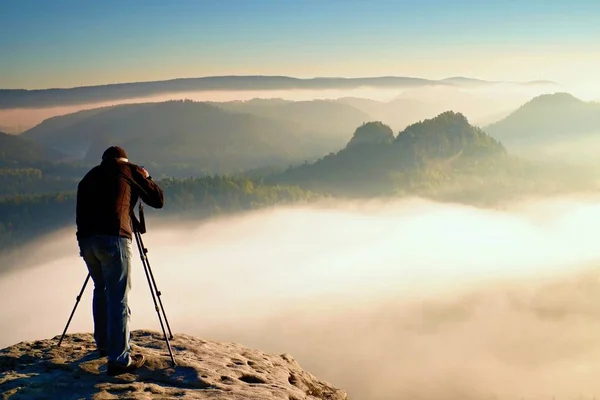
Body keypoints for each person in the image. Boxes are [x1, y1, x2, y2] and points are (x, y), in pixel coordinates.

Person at [76, 146, 164, 376]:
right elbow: (158, 199)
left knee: (101, 288)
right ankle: (119, 360)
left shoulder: (88, 177)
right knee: (119, 297)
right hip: (114, 238)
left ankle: (104, 345)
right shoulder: (128, 170)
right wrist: (146, 177)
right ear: (123, 159)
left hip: (86, 242)